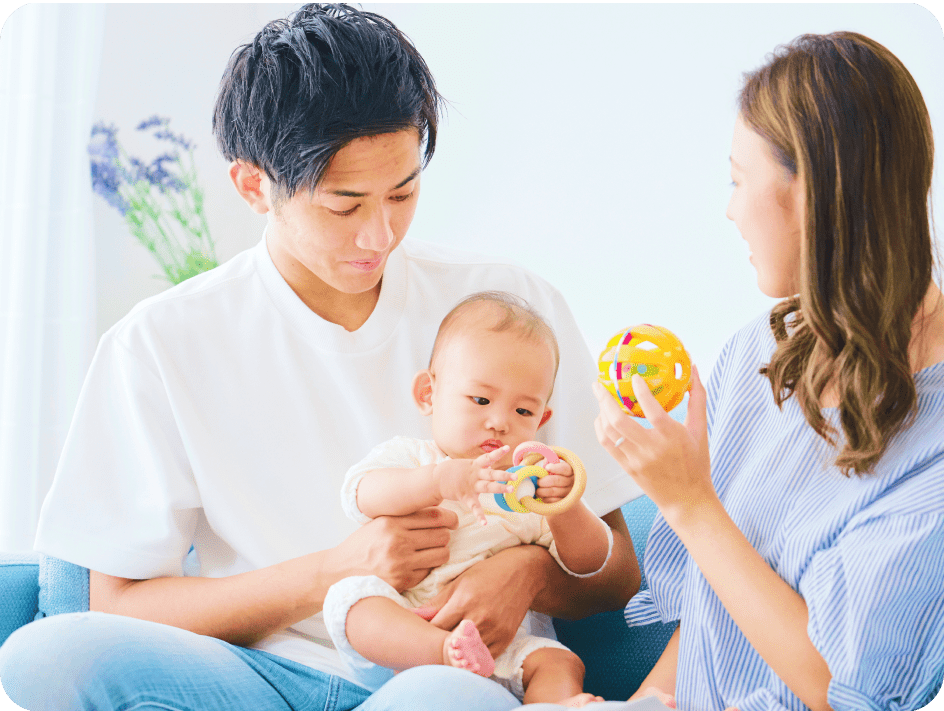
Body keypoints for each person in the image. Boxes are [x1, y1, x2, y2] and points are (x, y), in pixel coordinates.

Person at [0, 5, 640, 711]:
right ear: (254, 186)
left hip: (438, 671)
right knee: (42, 657)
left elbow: (617, 571)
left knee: (442, 698)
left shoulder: (508, 307)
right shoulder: (160, 341)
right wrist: (335, 570)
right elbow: (113, 602)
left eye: (403, 192)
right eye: (345, 204)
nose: (381, 233)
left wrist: (527, 572)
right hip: (253, 671)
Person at [594, 32, 944, 711]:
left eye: (736, 179)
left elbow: (841, 689)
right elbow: (718, 611)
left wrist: (690, 501)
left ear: (808, 189)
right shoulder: (766, 350)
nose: (730, 209)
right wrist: (640, 703)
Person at [324, 292, 611, 707]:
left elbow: (588, 562)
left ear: (542, 420)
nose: (500, 421)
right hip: (405, 631)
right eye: (481, 400)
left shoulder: (524, 490)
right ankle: (442, 652)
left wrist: (564, 506)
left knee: (561, 662)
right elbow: (360, 495)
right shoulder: (415, 459)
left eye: (524, 412)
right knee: (349, 600)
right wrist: (438, 482)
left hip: (499, 647)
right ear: (428, 394)